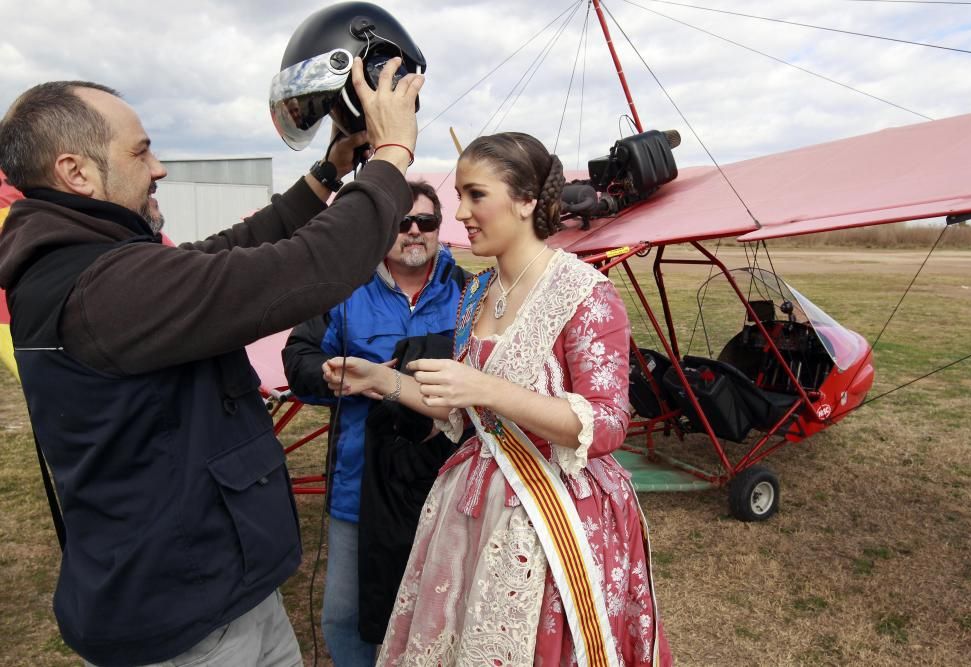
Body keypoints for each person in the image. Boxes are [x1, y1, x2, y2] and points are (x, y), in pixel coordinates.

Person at [0, 55, 422, 667]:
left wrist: (329, 174)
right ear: (76, 172)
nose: (159, 167)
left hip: (207, 591)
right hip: (186, 622)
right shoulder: (103, 287)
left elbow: (226, 254)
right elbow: (306, 270)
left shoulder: (83, 265)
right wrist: (390, 157)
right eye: (140, 152)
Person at [323, 132, 672, 666]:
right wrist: (379, 378)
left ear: (527, 200)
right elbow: (461, 409)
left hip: (557, 513)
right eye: (460, 196)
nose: (460, 212)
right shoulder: (476, 296)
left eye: (475, 195)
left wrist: (489, 388)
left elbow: (606, 425)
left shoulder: (585, 294)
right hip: (478, 503)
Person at [281, 180, 466, 664]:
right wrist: (331, 376)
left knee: (446, 605)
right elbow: (297, 356)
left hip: (445, 481)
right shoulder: (343, 289)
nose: (413, 232)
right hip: (357, 482)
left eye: (425, 222)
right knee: (344, 614)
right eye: (401, 223)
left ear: (438, 229)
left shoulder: (468, 293)